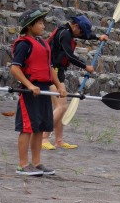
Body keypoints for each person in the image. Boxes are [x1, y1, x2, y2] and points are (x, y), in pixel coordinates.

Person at [10, 8, 67, 176]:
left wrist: (59, 86)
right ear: (30, 26)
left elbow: (49, 68)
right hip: (30, 91)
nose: (43, 26)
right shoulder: (24, 44)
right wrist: (29, 85)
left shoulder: (42, 43)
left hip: (43, 90)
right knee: (27, 128)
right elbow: (15, 68)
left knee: (40, 127)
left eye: (43, 23)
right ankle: (22, 164)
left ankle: (36, 163)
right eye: (40, 23)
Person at [43, 14, 108, 150]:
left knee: (60, 108)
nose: (81, 34)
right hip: (51, 71)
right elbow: (69, 56)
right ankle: (43, 138)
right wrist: (86, 66)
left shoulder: (68, 31)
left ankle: (59, 140)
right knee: (61, 107)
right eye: (81, 31)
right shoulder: (64, 34)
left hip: (58, 71)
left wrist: (98, 37)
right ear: (76, 26)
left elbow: (84, 36)